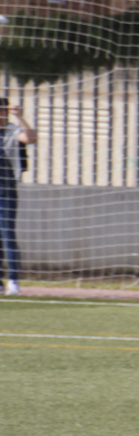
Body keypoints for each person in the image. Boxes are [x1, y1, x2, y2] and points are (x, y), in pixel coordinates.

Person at [0, 98, 36, 296]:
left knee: (7, 235)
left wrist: (20, 117)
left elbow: (30, 138)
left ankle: (14, 280)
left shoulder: (13, 131)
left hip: (5, 189)